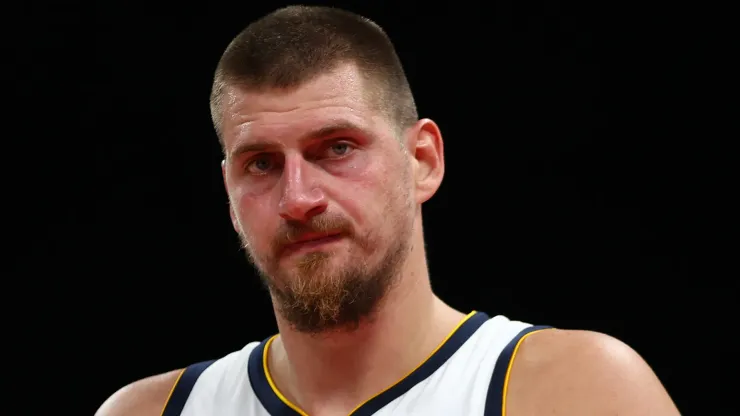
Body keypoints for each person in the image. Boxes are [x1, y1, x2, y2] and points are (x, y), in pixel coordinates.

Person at [96, 5, 679, 416]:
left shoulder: (576, 393)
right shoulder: (153, 411)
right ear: (228, 192)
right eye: (261, 164)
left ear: (422, 159)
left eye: (338, 148)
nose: (298, 198)